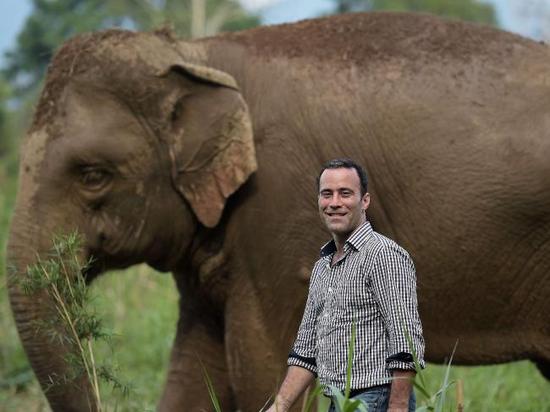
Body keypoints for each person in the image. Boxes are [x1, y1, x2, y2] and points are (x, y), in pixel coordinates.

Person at [266, 158, 425, 412]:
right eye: (327, 194)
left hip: (376, 400)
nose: (334, 203)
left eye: (345, 193)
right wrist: (280, 406)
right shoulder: (322, 268)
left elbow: (406, 340)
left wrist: (398, 407)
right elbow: (306, 351)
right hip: (339, 401)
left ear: (365, 201)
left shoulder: (383, 255)